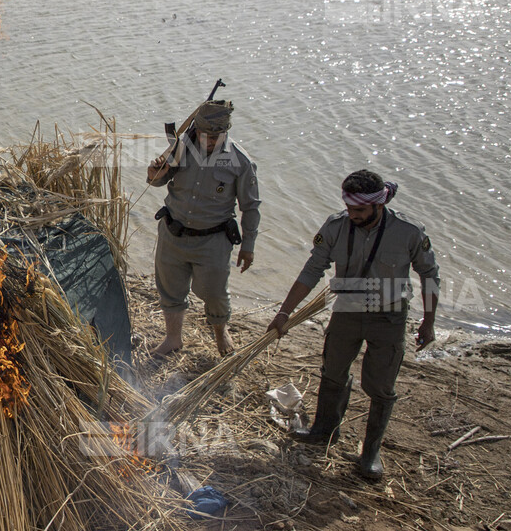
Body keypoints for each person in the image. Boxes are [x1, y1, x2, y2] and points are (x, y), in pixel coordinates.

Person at [266, 170, 439, 481]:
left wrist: (428, 322)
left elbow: (430, 275)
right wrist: (284, 314)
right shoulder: (335, 227)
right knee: (332, 371)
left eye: (359, 210)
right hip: (347, 311)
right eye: (349, 209)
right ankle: (324, 431)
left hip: (389, 316)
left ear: (378, 205)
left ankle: (370, 451)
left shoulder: (408, 231)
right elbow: (312, 270)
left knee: (381, 386)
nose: (353, 215)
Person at [146, 100, 260, 359]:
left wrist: (249, 247)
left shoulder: (240, 162)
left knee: (215, 293)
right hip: (173, 233)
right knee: (170, 288)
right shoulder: (180, 149)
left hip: (213, 240)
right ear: (197, 130)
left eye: (216, 137)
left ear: (226, 132)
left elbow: (251, 207)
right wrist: (154, 172)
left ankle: (221, 332)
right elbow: (156, 180)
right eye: (205, 136)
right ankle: (173, 338)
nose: (209, 142)